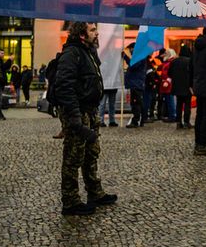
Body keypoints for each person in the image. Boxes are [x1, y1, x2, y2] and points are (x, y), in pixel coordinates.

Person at [51, 20, 116, 216]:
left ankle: (95, 192)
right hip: (77, 111)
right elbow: (64, 86)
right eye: (92, 30)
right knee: (74, 155)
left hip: (90, 110)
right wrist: (74, 119)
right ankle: (70, 201)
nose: (97, 33)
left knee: (91, 152)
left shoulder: (88, 51)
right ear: (82, 34)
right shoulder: (72, 54)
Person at [122, 42, 147, 128]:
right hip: (135, 83)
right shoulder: (138, 56)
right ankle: (140, 119)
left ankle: (137, 120)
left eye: (130, 50)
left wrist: (126, 57)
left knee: (136, 103)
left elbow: (133, 65)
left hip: (136, 83)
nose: (130, 52)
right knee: (136, 102)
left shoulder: (139, 56)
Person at [168, 44, 193, 128]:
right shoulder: (190, 61)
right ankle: (186, 122)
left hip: (177, 86)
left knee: (179, 104)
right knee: (187, 105)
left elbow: (169, 74)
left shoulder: (174, 61)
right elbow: (193, 74)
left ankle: (178, 122)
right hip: (187, 86)